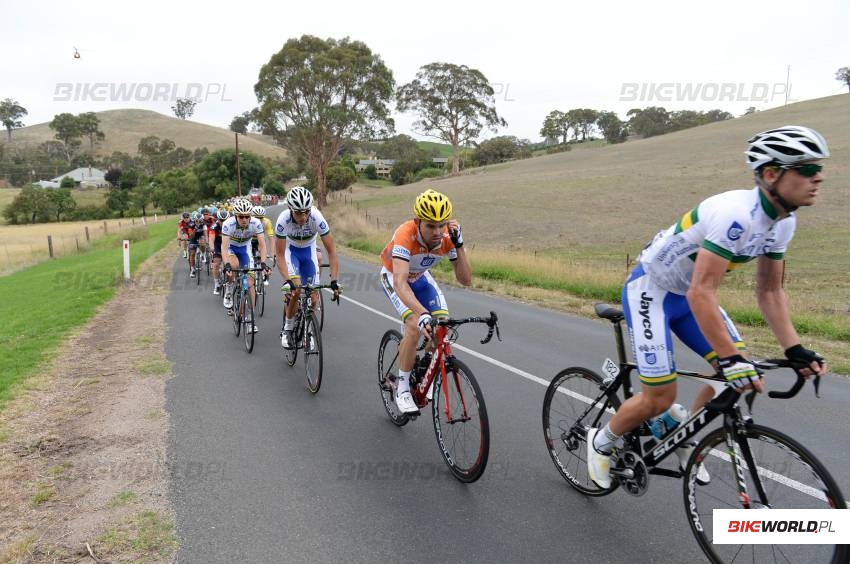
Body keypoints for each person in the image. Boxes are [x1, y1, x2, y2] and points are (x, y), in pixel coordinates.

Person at [587, 125, 830, 488]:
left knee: (745, 377)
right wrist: (730, 358)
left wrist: (794, 348)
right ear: (770, 174)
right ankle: (602, 441)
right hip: (651, 291)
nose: (819, 178)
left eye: (819, 169)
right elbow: (703, 291)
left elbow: (769, 291)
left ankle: (681, 435)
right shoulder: (737, 215)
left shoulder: (783, 223)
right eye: (808, 170)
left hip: (688, 295)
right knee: (660, 397)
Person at [379, 189, 471, 413]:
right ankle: (402, 388)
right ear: (418, 221)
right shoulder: (405, 234)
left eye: (442, 225)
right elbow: (400, 283)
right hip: (394, 277)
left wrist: (459, 246)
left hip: (420, 278)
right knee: (414, 325)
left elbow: (465, 279)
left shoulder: (448, 237)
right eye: (430, 225)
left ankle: (424, 373)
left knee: (442, 326)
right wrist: (422, 314)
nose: (438, 232)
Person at [274, 187, 341, 348]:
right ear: (290, 209)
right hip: (291, 251)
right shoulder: (283, 220)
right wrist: (287, 281)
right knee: (296, 289)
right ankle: (288, 328)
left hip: (309, 250)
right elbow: (280, 255)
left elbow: (331, 251)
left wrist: (334, 280)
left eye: (306, 212)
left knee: (314, 296)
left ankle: (308, 331)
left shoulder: (317, 217)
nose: (303, 217)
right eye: (298, 213)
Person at [221, 199, 269, 333]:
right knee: (234, 264)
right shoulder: (228, 224)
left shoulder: (256, 223)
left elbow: (263, 245)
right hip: (231, 248)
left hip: (245, 249)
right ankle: (229, 289)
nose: (244, 219)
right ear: (236, 216)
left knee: (250, 283)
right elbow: (224, 247)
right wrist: (227, 265)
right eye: (241, 216)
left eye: (247, 216)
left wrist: (264, 262)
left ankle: (249, 318)